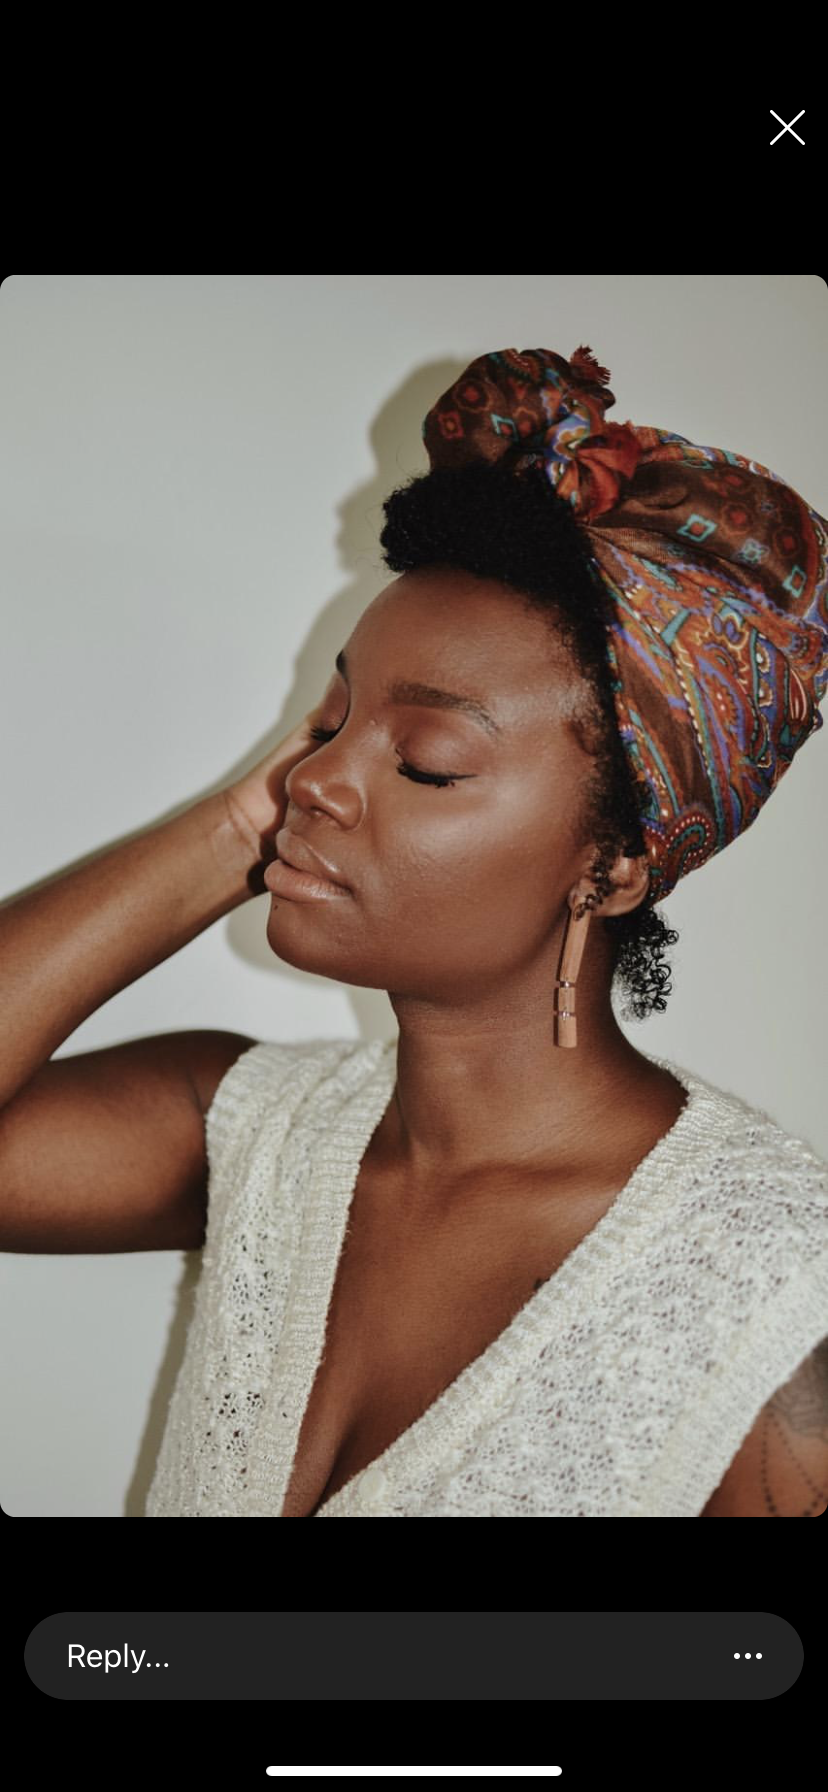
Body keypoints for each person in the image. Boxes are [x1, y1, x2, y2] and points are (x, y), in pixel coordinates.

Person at [3, 345, 828, 1518]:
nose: (321, 780)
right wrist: (238, 822)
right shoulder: (255, 1138)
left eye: (428, 762)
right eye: (330, 721)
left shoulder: (774, 1289)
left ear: (616, 864)